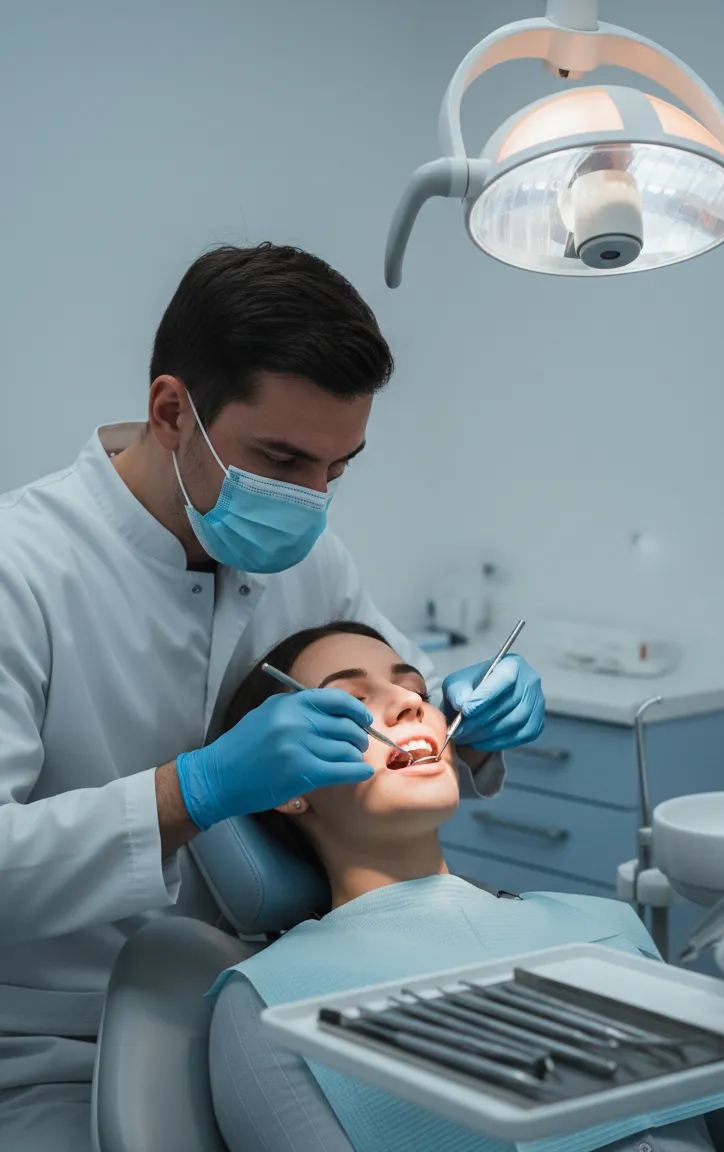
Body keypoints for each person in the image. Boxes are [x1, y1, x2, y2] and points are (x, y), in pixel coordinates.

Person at [0, 244, 545, 1150]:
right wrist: (195, 790)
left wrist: (470, 715)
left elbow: (400, 696)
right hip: (54, 1043)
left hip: (281, 999)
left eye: (339, 468)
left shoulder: (310, 557)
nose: (311, 500)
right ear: (173, 411)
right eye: (283, 459)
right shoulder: (21, 572)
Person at [208, 621, 724, 1152]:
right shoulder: (270, 1002)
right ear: (286, 780)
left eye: (416, 689)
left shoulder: (602, 923)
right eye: (350, 702)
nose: (406, 703)